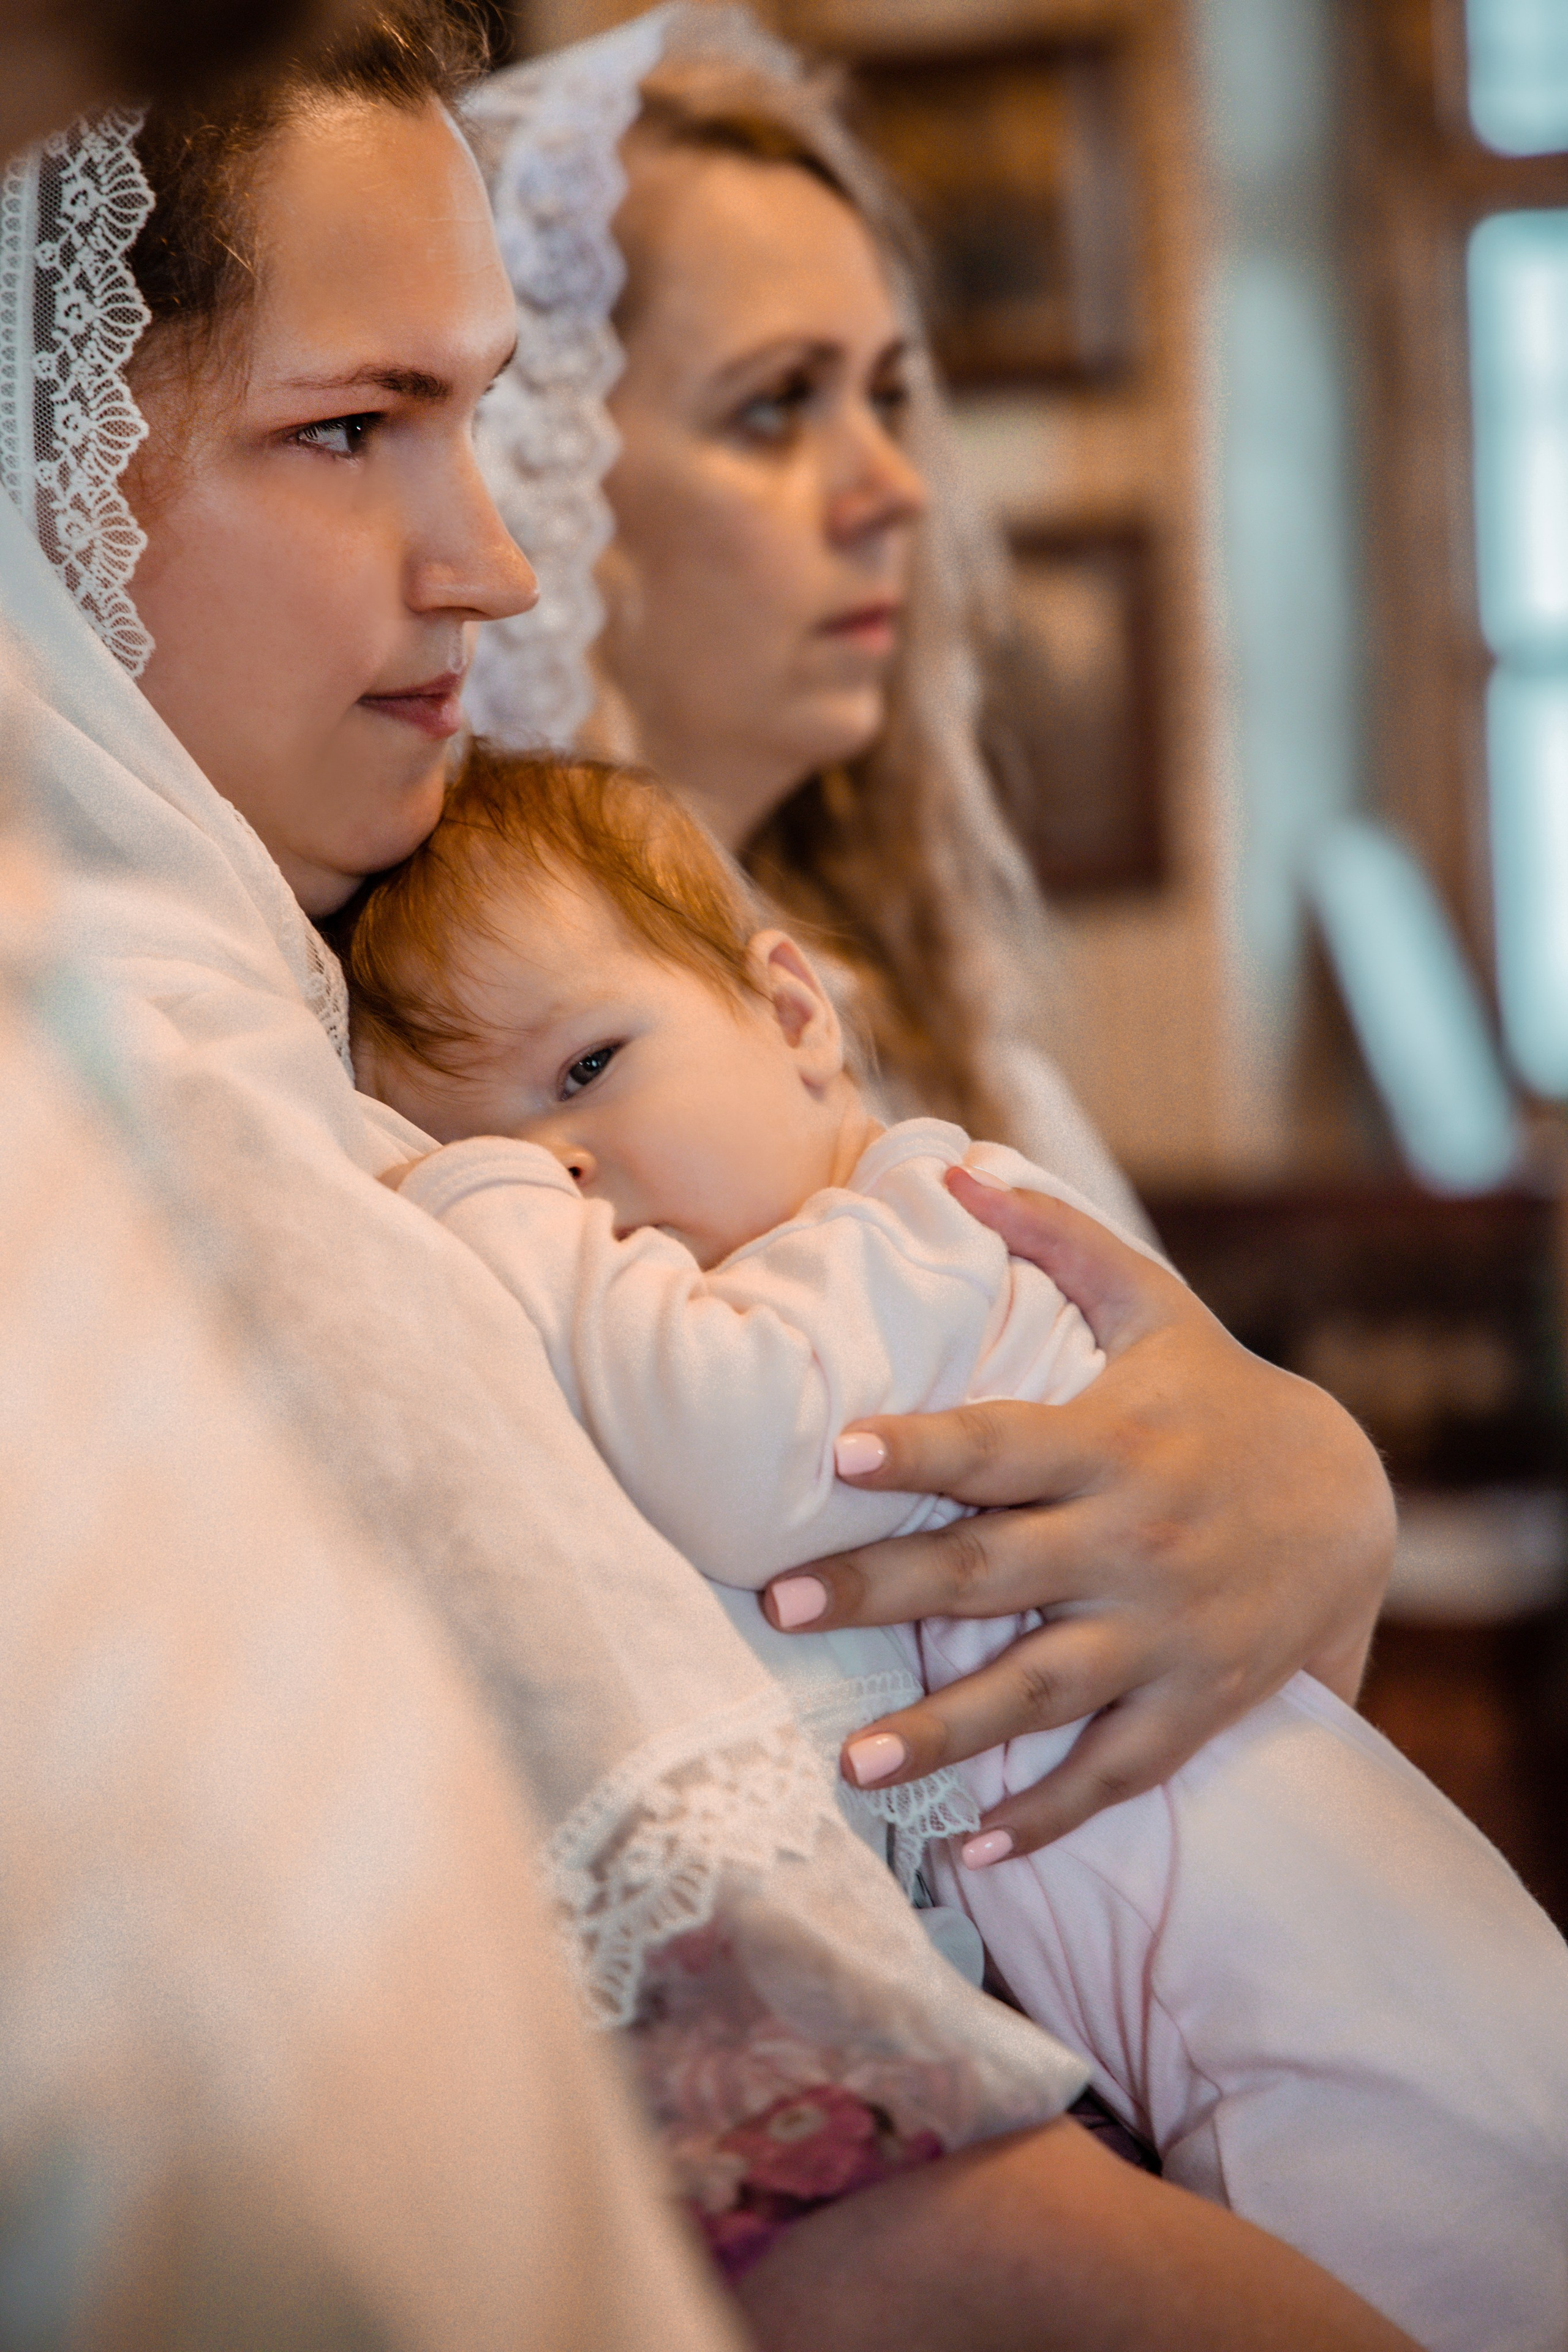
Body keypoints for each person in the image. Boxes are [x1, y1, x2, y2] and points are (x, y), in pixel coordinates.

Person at [0, 16, 1420, 2343]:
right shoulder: (213, 1090)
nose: (484, 557)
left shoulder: (320, 1012)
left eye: (472, 415)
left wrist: (1306, 1484)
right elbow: (809, 2154)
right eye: (353, 428)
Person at [347, 740, 1568, 2351]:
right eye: (514, 1139)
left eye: (585, 1072)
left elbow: (734, 1451)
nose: (578, 1176)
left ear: (795, 1019)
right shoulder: (806, 1268)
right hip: (1217, 2021)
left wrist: (479, 1196)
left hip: (1354, 2012)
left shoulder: (926, 1227)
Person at [467, 6, 1397, 1858]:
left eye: (890, 393)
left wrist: (1324, 1493)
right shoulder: (503, 1108)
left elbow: (1220, 1591)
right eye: (774, 405)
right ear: (541, 489)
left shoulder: (960, 1028)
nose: (893, 483)